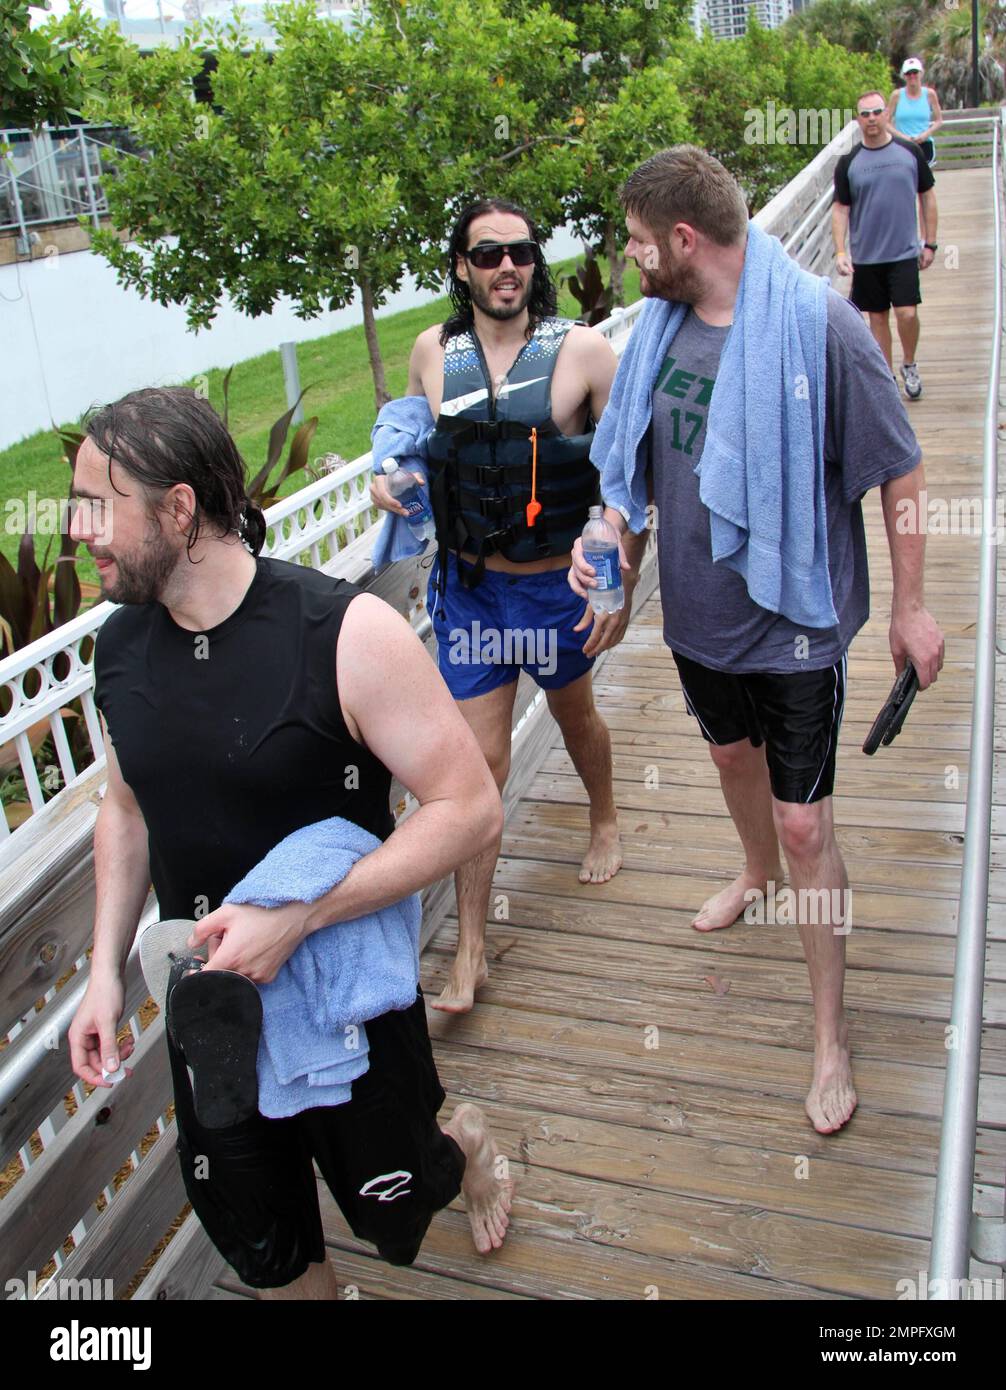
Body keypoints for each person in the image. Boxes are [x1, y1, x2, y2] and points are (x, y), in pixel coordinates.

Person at [67, 388, 513, 1299]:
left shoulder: (343, 633)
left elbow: (469, 808)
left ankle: (463, 1138)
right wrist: (104, 970)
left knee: (403, 1201)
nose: (78, 530)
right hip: (214, 1017)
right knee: (272, 1254)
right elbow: (126, 807)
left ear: (179, 508)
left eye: (97, 505)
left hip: (345, 999)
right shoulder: (119, 651)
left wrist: (299, 917)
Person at [569, 146, 944, 1134]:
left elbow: (898, 468)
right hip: (696, 623)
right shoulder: (656, 331)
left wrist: (910, 606)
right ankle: (753, 874)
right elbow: (632, 479)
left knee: (806, 822)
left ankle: (829, 1035)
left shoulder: (815, 326)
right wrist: (611, 551)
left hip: (796, 623)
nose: (629, 257)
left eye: (638, 242)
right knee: (727, 756)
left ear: (683, 241)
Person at [370, 199, 625, 1015]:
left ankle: (606, 814)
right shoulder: (430, 352)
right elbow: (408, 435)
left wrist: (616, 574)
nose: (506, 266)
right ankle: (471, 948)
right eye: (488, 254)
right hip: (471, 592)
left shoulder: (583, 351)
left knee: (575, 716)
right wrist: (388, 477)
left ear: (534, 263)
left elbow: (628, 478)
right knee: (478, 767)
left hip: (557, 590)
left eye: (519, 252)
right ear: (461, 268)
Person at [832, 90, 938, 401]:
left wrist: (930, 242)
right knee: (876, 318)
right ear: (858, 120)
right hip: (866, 257)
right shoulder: (849, 163)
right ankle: (887, 377)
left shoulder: (909, 153)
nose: (871, 119)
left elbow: (928, 195)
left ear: (886, 115)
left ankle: (910, 363)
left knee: (906, 313)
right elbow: (840, 208)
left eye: (877, 112)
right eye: (865, 114)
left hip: (904, 251)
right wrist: (840, 251)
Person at [886, 57, 943, 168]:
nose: (912, 76)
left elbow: (939, 120)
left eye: (915, 72)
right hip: (903, 145)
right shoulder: (896, 95)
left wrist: (925, 134)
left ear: (921, 73)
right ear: (904, 76)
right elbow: (886, 123)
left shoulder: (930, 94)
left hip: (924, 144)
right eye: (908, 73)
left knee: (925, 182)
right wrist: (903, 137)